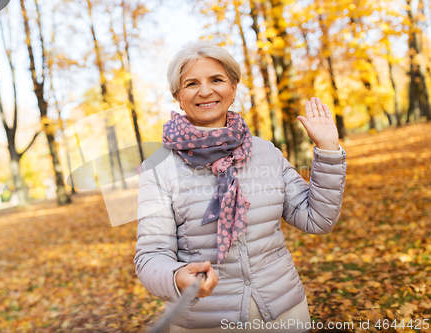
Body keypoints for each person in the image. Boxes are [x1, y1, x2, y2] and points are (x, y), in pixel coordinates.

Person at [134, 41, 346, 332]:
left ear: (233, 89)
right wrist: (176, 277)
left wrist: (329, 150)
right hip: (205, 322)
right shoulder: (157, 167)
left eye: (217, 80)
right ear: (178, 96)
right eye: (192, 83)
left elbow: (317, 219)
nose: (206, 91)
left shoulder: (266, 151)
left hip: (284, 313)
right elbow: (150, 255)